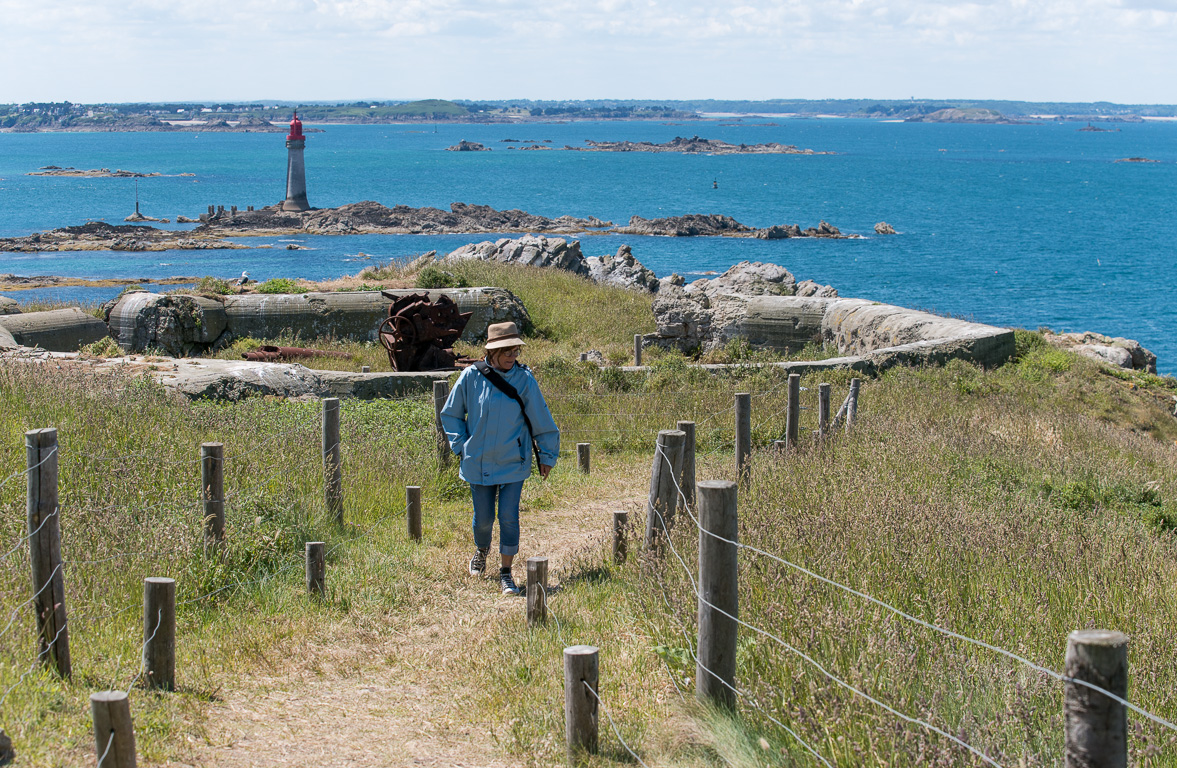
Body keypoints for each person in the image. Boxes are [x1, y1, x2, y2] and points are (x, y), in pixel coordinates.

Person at [440, 322, 560, 595]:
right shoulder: (470, 377)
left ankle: (506, 572)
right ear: (491, 351)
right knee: (483, 519)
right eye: (506, 350)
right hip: (477, 462)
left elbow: (542, 420)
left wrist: (548, 455)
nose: (512, 355)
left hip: (513, 462)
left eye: (515, 350)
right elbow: (451, 414)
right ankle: (482, 550)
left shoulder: (525, 380)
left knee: (508, 516)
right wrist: (461, 446)